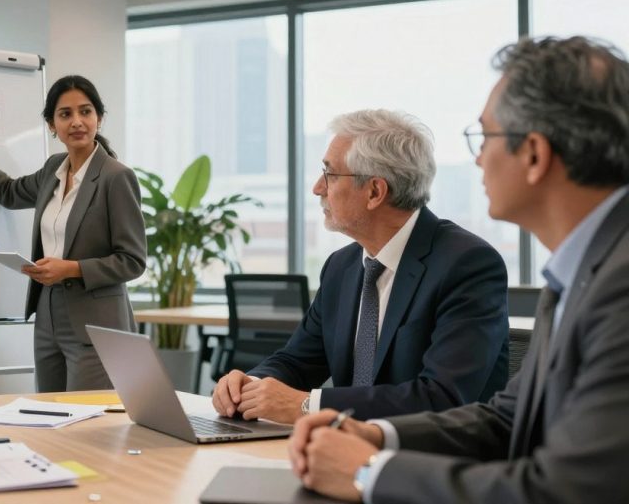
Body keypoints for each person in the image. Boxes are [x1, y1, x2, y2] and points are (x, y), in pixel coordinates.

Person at [290, 36, 629, 504]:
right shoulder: (579, 273)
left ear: (533, 153)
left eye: (485, 137)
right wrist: (380, 438)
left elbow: (567, 490)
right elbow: (507, 419)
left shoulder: (619, 285)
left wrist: (370, 473)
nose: (477, 159)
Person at [213, 109, 509, 424]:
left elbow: (441, 397)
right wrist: (249, 385)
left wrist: (307, 405)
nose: (317, 187)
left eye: (329, 174)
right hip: (344, 454)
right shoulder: (341, 267)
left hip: (435, 462)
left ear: (374, 192)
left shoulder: (467, 264)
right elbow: (297, 361)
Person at [0, 75, 146, 392]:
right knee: (50, 415)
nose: (77, 122)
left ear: (99, 118)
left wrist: (70, 268)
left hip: (95, 322)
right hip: (48, 314)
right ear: (52, 125)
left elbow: (132, 261)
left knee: (85, 425)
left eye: (86, 111)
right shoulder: (54, 168)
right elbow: (9, 192)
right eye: (65, 114)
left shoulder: (116, 178)